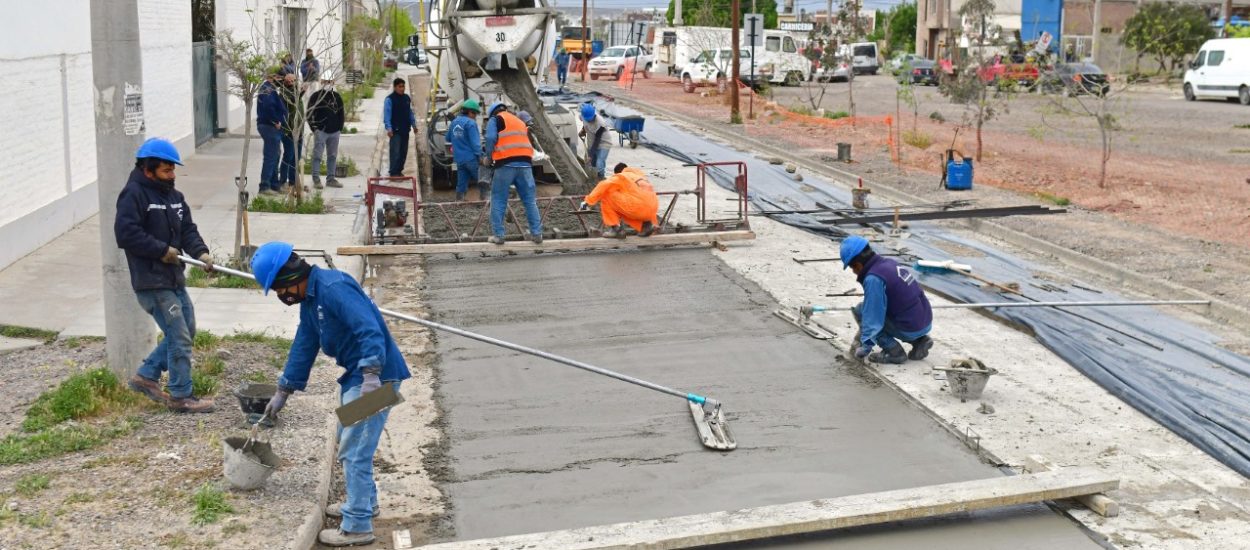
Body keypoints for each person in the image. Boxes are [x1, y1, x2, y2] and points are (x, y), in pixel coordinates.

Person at [252, 242, 410, 547]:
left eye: (277, 289)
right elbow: (304, 344)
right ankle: (365, 502)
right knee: (351, 438)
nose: (280, 297)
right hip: (359, 376)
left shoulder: (334, 288)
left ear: (288, 279)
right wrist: (284, 389)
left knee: (354, 448)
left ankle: (357, 525)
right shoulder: (312, 299)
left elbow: (369, 329)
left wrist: (371, 375)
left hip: (378, 379)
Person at [116, 138, 216, 413]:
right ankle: (181, 395)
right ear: (148, 170)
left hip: (173, 279)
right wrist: (161, 250)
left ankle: (146, 376)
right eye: (166, 171)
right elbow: (126, 234)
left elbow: (188, 232)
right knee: (179, 335)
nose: (172, 175)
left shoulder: (175, 198)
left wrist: (202, 253)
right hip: (151, 282)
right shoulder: (134, 195)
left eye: (173, 170)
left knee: (188, 329)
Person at [840, 236, 934, 364]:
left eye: (852, 268)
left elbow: (872, 318)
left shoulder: (873, 278)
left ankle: (894, 352)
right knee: (885, 309)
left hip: (909, 326)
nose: (854, 272)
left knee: (861, 311)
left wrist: (865, 347)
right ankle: (920, 341)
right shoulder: (889, 263)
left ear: (857, 265)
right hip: (924, 320)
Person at [483, 102, 543, 245]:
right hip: (525, 164)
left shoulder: (495, 119)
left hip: (505, 164)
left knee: (498, 198)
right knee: (529, 200)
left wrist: (489, 157)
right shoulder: (518, 120)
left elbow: (491, 138)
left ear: (493, 113)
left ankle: (499, 235)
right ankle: (537, 234)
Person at [581, 162, 659, 238]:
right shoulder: (640, 177)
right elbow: (647, 201)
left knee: (606, 194)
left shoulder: (621, 176)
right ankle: (647, 226)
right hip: (652, 210)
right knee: (633, 204)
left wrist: (587, 201)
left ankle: (616, 229)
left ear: (617, 172)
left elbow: (604, 185)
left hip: (637, 207)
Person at [308, 72, 345, 189]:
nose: (327, 84)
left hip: (334, 132)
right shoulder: (316, 97)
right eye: (325, 82)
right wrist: (314, 129)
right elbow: (309, 114)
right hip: (321, 131)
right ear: (321, 82)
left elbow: (341, 113)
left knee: (332, 156)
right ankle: (316, 179)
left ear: (333, 82)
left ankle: (331, 178)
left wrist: (339, 127)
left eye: (329, 82)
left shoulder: (337, 97)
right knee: (317, 156)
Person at [445, 99, 485, 201]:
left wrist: (459, 139)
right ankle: (486, 201)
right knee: (483, 180)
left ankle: (459, 203)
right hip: (471, 159)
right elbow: (476, 144)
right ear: (470, 112)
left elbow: (448, 138)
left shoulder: (454, 122)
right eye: (475, 114)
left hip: (459, 159)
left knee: (461, 183)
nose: (475, 116)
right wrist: (481, 156)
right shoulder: (470, 123)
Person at [256, 71, 288, 196]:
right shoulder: (268, 89)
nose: (281, 80)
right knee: (271, 156)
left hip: (271, 126)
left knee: (275, 154)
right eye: (279, 77)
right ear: (271, 77)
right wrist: (276, 121)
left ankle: (274, 184)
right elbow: (268, 107)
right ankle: (265, 186)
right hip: (270, 126)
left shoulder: (270, 89)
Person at [383, 78, 418, 177]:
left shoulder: (406, 98)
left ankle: (399, 170)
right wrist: (389, 128)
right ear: (395, 87)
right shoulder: (390, 99)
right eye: (400, 86)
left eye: (403, 86)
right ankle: (393, 172)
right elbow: (387, 115)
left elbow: (409, 113)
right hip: (395, 131)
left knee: (403, 152)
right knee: (395, 152)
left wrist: (414, 125)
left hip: (405, 130)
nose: (402, 88)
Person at [278, 73, 303, 189]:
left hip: (299, 130)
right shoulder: (283, 93)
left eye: (295, 81)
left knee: (296, 158)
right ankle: (282, 181)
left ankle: (293, 182)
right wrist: (301, 92)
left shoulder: (296, 92)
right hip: (289, 130)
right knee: (288, 156)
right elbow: (292, 101)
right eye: (291, 81)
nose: (293, 83)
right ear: (286, 82)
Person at [578, 103, 612, 179]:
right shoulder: (583, 117)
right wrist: (583, 131)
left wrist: (590, 155)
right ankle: (592, 180)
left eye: (590, 118)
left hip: (603, 143)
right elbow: (585, 125)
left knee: (599, 163)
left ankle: (601, 179)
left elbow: (597, 140)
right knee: (591, 163)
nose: (589, 120)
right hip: (591, 143)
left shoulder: (600, 123)